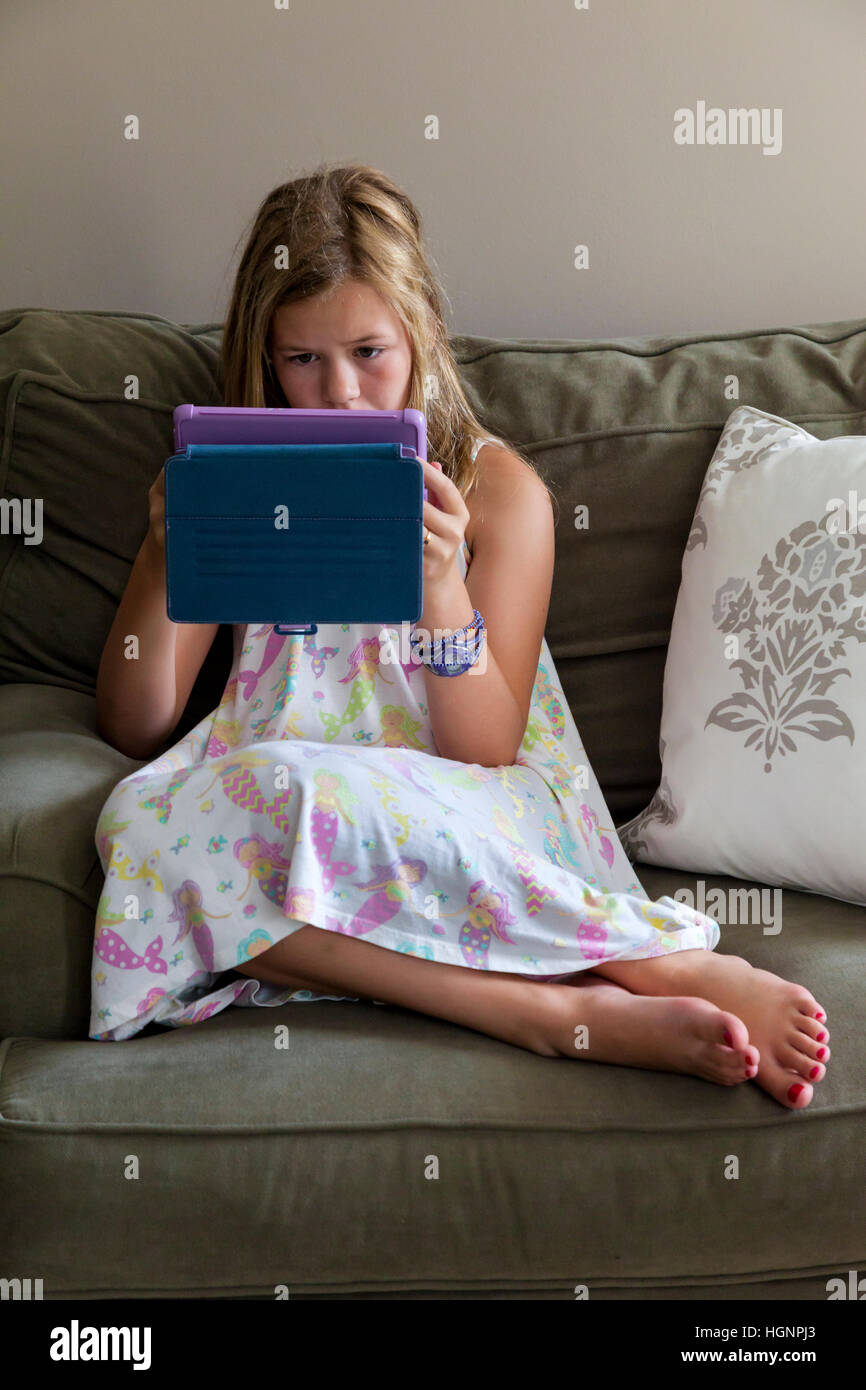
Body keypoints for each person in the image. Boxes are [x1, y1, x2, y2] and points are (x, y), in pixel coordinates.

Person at [92, 162, 830, 1109]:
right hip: (283, 793)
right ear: (262, 361)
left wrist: (442, 591)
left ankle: (643, 968)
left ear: (422, 336)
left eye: (370, 351)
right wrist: (163, 558)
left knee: (279, 800)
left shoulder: (497, 494)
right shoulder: (245, 483)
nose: (342, 395)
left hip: (465, 803)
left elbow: (483, 748)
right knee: (138, 821)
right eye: (302, 361)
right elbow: (135, 727)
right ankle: (538, 1010)